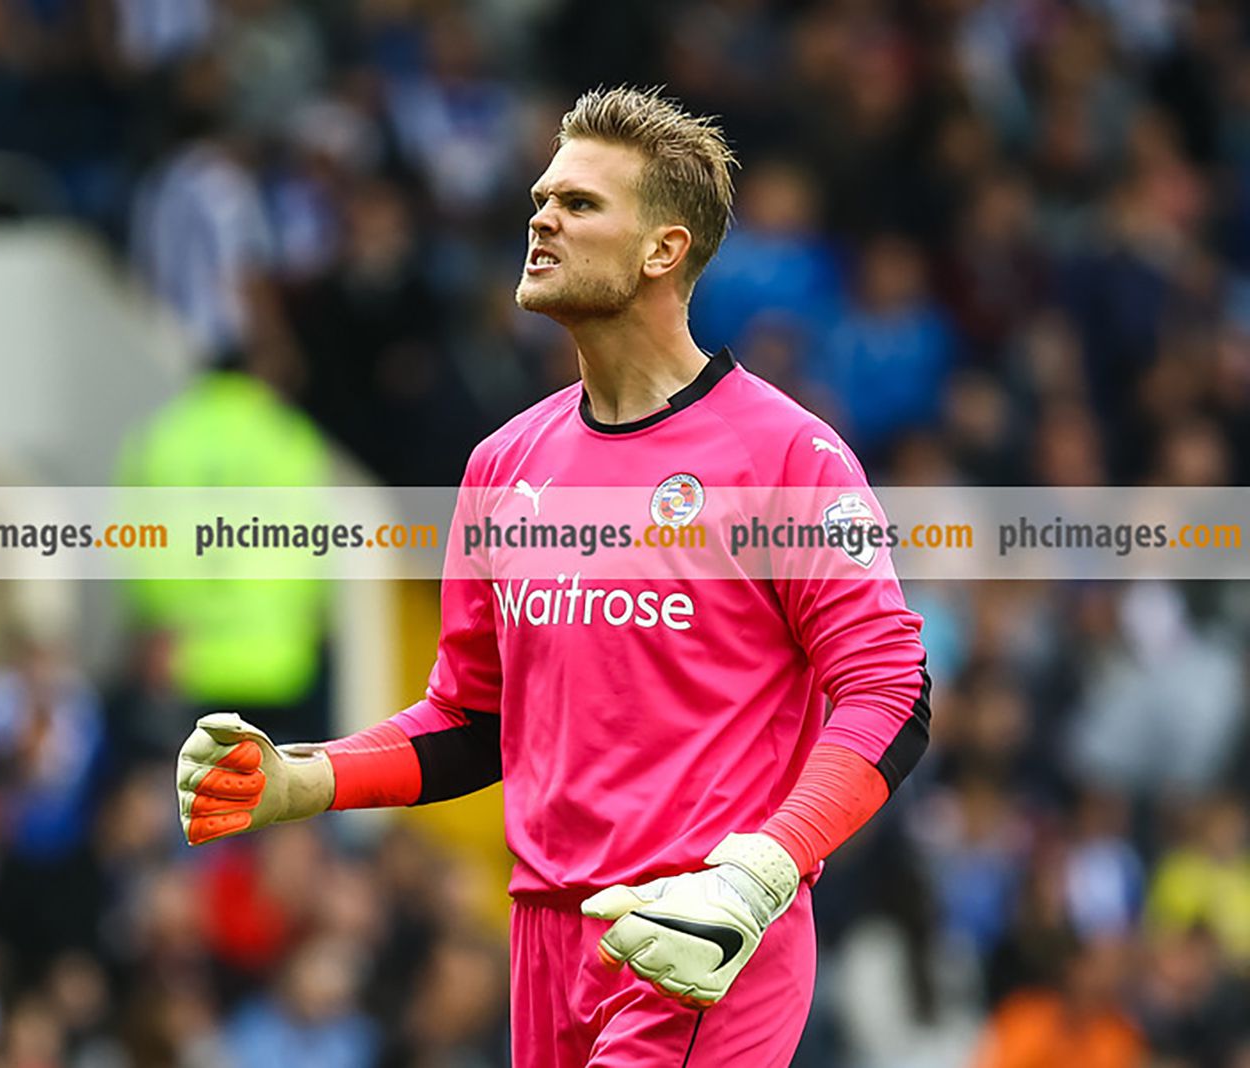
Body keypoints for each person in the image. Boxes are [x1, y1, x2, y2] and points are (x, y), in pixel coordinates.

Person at [175, 86, 931, 1067]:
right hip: (543, 943)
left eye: (578, 203)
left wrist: (762, 869)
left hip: (698, 933)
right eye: (541, 198)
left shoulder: (785, 456)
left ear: (662, 249)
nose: (541, 219)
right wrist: (306, 778)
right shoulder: (503, 465)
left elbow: (889, 692)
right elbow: (472, 718)